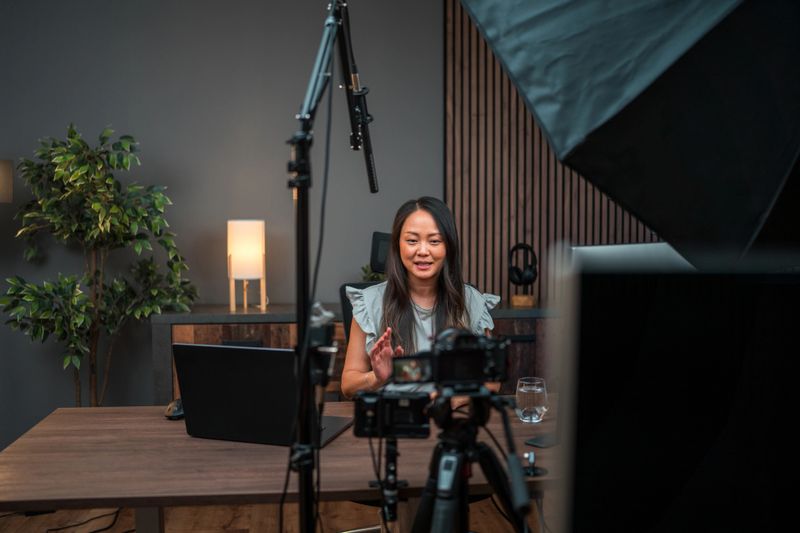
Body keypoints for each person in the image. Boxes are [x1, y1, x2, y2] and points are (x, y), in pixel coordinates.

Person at [340, 196, 500, 404]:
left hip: (450, 421)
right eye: (412, 241)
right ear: (398, 245)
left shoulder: (471, 301)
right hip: (394, 422)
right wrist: (377, 378)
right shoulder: (369, 302)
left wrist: (450, 402)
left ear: (448, 247)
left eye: (434, 241)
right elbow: (348, 385)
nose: (423, 251)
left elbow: (492, 381)